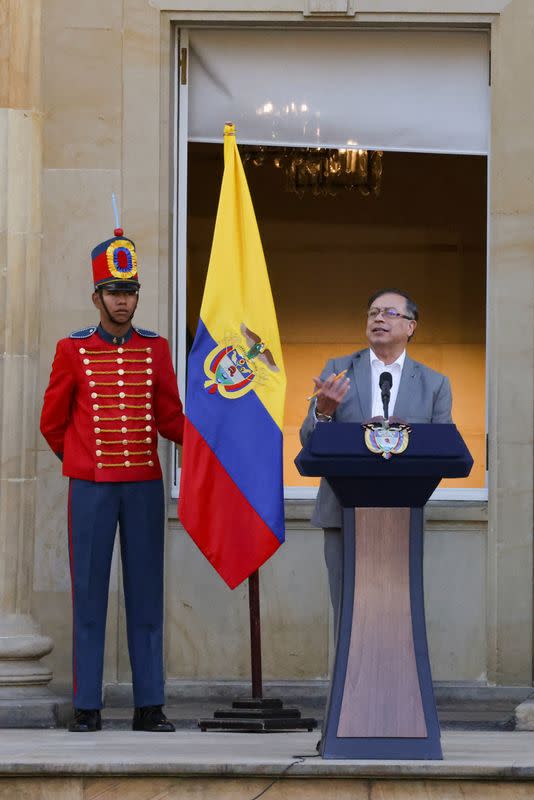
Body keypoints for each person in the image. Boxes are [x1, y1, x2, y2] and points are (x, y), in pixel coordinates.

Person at [40, 227, 184, 733]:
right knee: (89, 596)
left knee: (147, 595)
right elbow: (52, 423)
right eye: (114, 292)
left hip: (143, 484)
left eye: (130, 292)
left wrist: (219, 433)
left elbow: (171, 420)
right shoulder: (71, 350)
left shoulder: (157, 349)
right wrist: (81, 460)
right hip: (92, 487)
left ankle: (150, 705)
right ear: (96, 295)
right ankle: (87, 705)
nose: (123, 301)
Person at [300, 288, 452, 631]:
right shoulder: (338, 371)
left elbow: (445, 451)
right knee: (347, 615)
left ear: (410, 327)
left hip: (402, 516)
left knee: (398, 618)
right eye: (372, 313)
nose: (378, 319)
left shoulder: (434, 384)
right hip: (342, 513)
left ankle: (400, 686)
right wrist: (323, 414)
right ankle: (348, 687)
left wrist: (409, 436)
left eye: (389, 313)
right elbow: (308, 444)